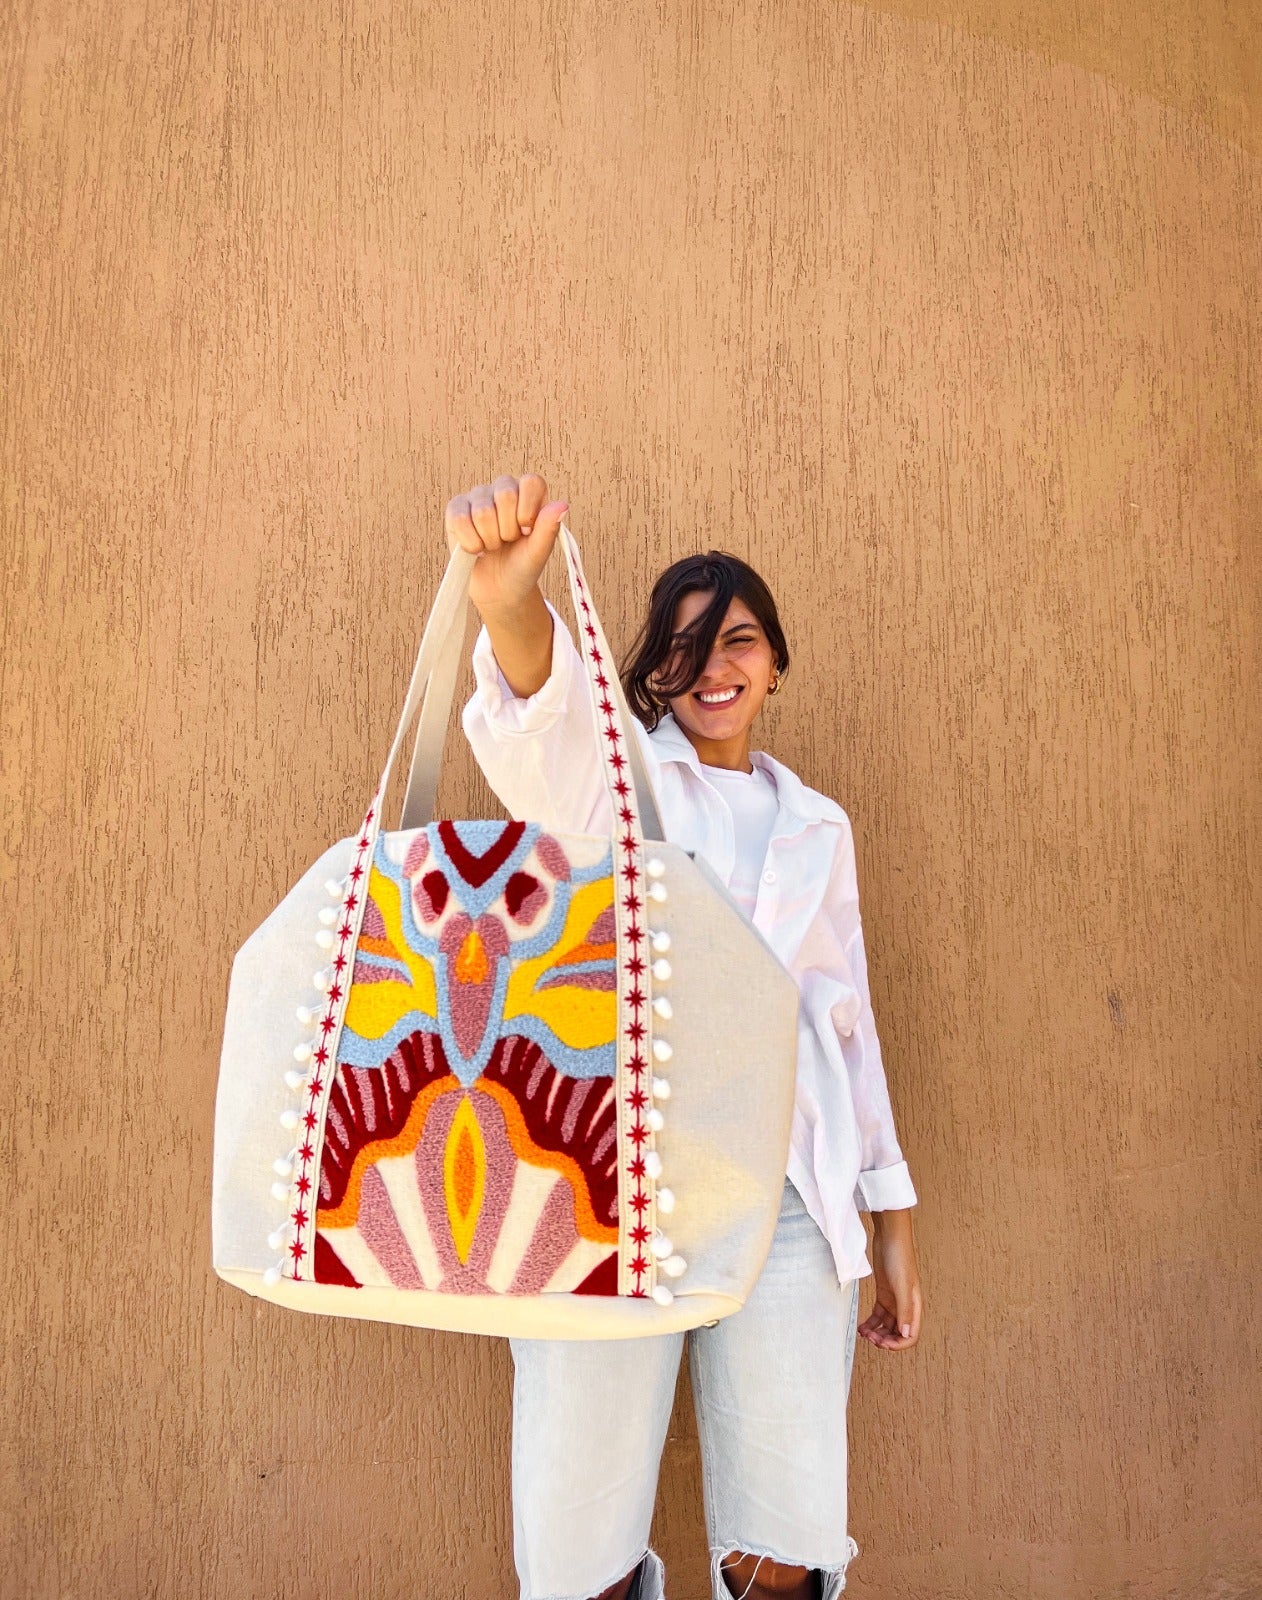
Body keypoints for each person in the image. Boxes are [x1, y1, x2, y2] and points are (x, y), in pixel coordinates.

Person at [448, 474, 924, 1600]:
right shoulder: (617, 781)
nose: (714, 665)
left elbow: (843, 1023)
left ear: (774, 660)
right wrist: (508, 601)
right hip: (606, 1191)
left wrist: (890, 1221)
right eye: (685, 644)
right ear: (651, 668)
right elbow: (543, 715)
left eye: (740, 639)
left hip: (791, 1203)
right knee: (581, 1540)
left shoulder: (817, 823)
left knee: (789, 1542)